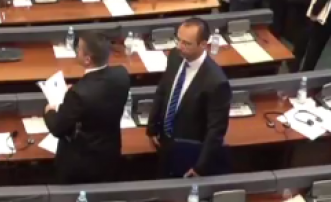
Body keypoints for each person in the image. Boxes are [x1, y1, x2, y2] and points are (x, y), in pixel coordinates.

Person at [146, 18, 231, 177]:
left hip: (189, 151)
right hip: (164, 141)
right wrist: (152, 127)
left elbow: (216, 131)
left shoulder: (216, 82)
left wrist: (200, 167)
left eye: (187, 43)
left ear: (203, 44)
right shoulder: (175, 56)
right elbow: (163, 89)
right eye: (179, 40)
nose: (180, 46)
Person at [43, 31, 129, 184]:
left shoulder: (79, 94)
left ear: (87, 59)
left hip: (82, 164)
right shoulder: (122, 74)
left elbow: (58, 128)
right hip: (110, 155)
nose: (76, 50)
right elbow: (99, 95)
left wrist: (49, 111)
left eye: (79, 49)